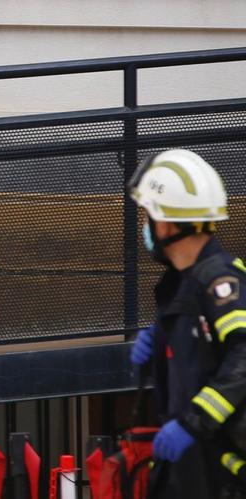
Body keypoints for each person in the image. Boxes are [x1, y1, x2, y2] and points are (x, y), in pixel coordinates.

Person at [128, 149, 246, 498]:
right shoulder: (183, 286)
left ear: (164, 224)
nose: (144, 227)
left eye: (146, 216)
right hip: (196, 469)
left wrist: (192, 423)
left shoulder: (220, 281)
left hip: (224, 473)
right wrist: (161, 342)